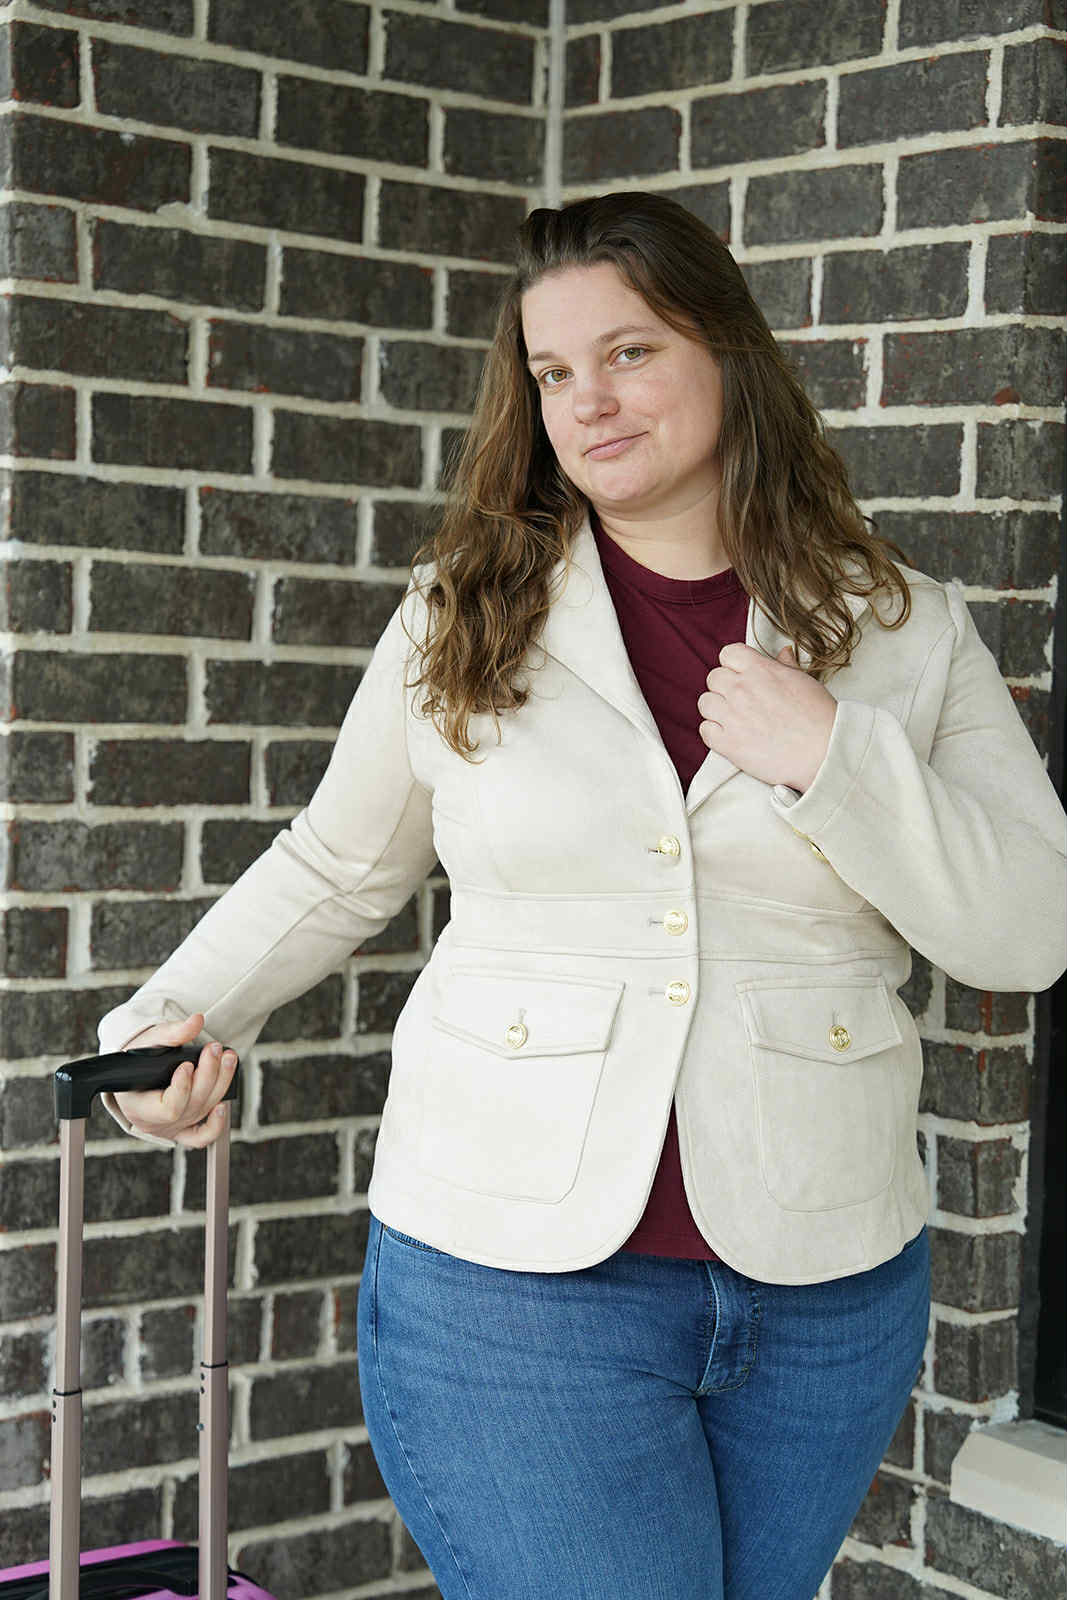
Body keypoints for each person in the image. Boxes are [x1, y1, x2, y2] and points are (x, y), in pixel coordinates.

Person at [97, 191, 1067, 1599]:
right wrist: (168, 1020)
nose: (589, 402)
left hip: (825, 1286)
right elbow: (337, 861)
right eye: (553, 373)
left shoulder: (903, 633)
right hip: (513, 1287)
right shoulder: (464, 608)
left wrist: (836, 762)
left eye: (629, 353)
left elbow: (1032, 928)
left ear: (727, 352)